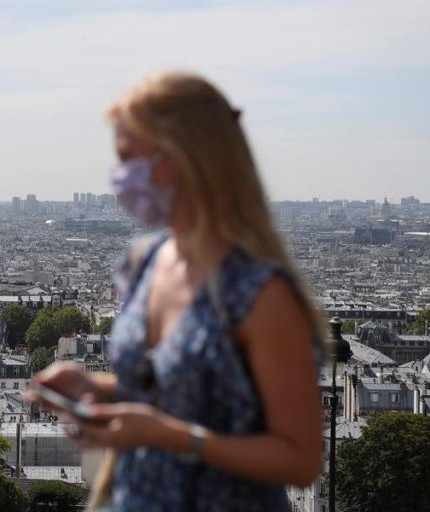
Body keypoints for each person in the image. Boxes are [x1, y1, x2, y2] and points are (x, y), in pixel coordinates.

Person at [31, 71, 324, 511]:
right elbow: (174, 390)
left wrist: (169, 436)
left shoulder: (261, 294)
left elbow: (301, 461)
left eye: (129, 158)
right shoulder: (143, 262)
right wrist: (95, 388)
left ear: (181, 158)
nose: (119, 176)